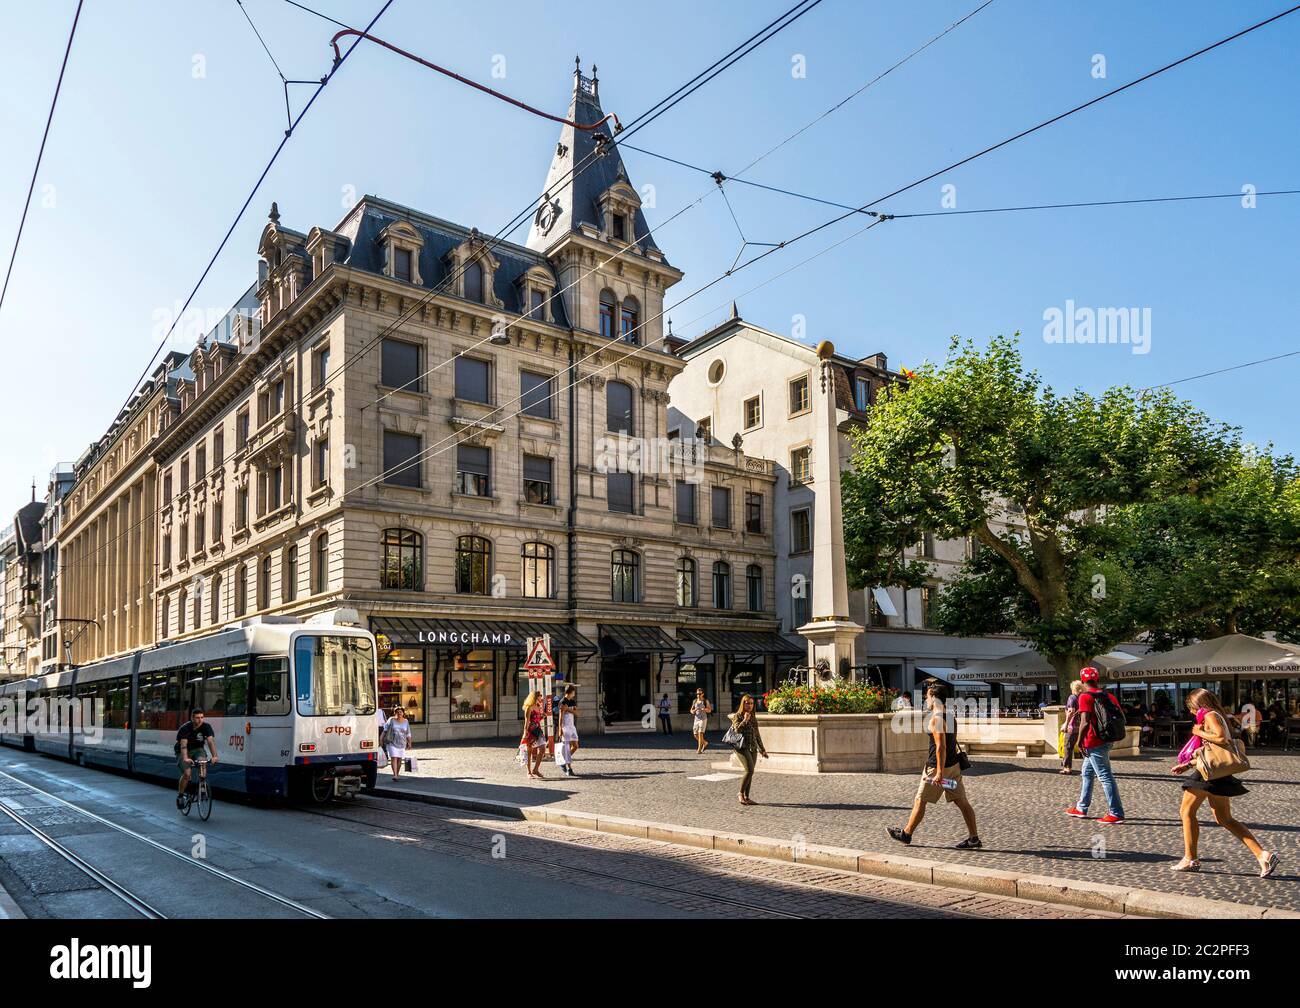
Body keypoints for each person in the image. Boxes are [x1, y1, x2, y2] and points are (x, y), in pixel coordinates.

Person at [1171, 688, 1278, 877]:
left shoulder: (1210, 715)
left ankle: (1190, 858)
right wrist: (1187, 765)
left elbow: (1221, 738)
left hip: (1208, 775)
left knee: (1186, 812)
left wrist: (1199, 732)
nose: (1191, 712)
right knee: (1224, 819)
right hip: (1217, 772)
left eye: (1191, 707)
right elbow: (1212, 752)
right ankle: (1263, 855)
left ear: (1198, 704)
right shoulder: (1216, 714)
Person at [888, 679, 981, 849]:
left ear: (934, 697)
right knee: (962, 802)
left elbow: (941, 747)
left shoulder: (936, 719)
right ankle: (974, 838)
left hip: (936, 768)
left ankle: (906, 834)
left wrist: (938, 772)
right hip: (953, 767)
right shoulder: (950, 717)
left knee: (920, 800)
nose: (926, 700)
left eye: (927, 697)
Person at [1066, 667, 1125, 824]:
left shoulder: (1085, 696)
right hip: (1107, 739)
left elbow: (1085, 722)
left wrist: (1079, 742)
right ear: (1097, 679)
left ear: (1083, 680)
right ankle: (1081, 808)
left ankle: (1116, 813)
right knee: (1086, 773)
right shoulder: (1109, 696)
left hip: (1093, 741)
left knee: (1105, 776)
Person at [175, 708, 218, 809]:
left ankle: (202, 787)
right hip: (183, 751)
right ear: (192, 718)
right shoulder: (185, 728)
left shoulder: (206, 727)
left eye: (202, 717)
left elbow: (210, 741)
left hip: (197, 749)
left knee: (202, 761)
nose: (200, 720)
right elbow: (183, 745)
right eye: (197, 718)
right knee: (187, 773)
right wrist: (185, 758)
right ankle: (180, 796)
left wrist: (214, 756)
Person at [728, 694, 767, 805]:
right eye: (747, 703)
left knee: (750, 772)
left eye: (751, 703)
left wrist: (762, 749)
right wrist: (745, 720)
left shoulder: (753, 717)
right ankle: (740, 793)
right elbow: (737, 730)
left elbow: (757, 734)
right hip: (741, 747)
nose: (749, 705)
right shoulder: (738, 716)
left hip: (752, 747)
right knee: (749, 770)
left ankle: (747, 797)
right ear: (743, 703)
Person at [1059, 680, 1084, 775]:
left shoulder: (1072, 698)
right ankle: (1090, 767)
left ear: (1073, 688)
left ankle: (1067, 767)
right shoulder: (1082, 697)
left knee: (1068, 747)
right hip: (1081, 726)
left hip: (1072, 727)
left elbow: (1070, 712)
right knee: (1083, 748)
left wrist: (1066, 724)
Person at [521, 691, 547, 779]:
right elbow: (527, 721)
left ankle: (535, 769)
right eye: (540, 696)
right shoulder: (529, 708)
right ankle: (528, 772)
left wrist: (543, 716)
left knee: (543, 748)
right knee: (529, 751)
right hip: (531, 730)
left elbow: (538, 719)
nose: (541, 697)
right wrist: (525, 732)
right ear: (535, 697)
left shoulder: (538, 706)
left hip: (538, 730)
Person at [556, 684, 580, 777]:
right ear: (569, 692)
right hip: (565, 726)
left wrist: (568, 710)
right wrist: (560, 729)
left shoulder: (572, 701)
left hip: (572, 726)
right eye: (573, 691)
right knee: (567, 747)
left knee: (575, 746)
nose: (574, 693)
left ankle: (563, 761)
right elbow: (560, 716)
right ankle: (569, 769)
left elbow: (577, 713)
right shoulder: (562, 701)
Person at [383, 706, 412, 782]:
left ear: (403, 713)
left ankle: (397, 773)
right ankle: (395, 774)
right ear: (395, 713)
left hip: (402, 743)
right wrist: (381, 739)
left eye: (400, 712)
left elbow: (408, 733)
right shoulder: (391, 720)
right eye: (397, 712)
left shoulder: (406, 721)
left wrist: (409, 743)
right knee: (394, 757)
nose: (399, 713)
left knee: (399, 759)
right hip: (392, 742)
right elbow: (385, 730)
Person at [690, 689, 713, 753]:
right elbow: (691, 711)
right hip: (696, 719)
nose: (698, 695)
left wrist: (704, 709)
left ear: (703, 694)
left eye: (699, 694)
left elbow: (709, 710)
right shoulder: (695, 701)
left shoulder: (706, 701)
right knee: (695, 734)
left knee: (700, 733)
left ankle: (699, 749)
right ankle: (705, 743)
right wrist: (694, 711)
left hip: (703, 719)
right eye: (697, 694)